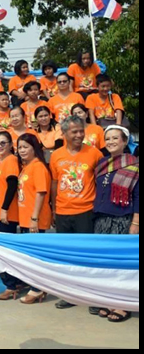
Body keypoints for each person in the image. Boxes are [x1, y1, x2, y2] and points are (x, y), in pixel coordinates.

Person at [50, 116, 103, 310]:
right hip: (63, 211)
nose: (79, 135)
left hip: (86, 211)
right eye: (75, 132)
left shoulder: (95, 154)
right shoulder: (56, 155)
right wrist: (54, 209)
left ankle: (91, 297)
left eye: (81, 131)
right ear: (64, 134)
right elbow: (55, 183)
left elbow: (99, 182)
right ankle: (70, 295)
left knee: (88, 255)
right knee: (66, 257)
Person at [93, 125, 139, 323]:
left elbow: (137, 195)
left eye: (115, 138)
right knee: (104, 262)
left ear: (124, 141)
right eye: (108, 139)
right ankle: (107, 299)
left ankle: (122, 304)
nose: (111, 142)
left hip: (123, 218)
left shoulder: (133, 164)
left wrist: (136, 222)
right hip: (102, 218)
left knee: (121, 264)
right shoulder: (102, 163)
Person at [16, 134, 52, 304]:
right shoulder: (26, 166)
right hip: (25, 218)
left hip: (35, 219)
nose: (22, 150)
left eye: (25, 147)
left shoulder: (38, 167)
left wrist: (34, 218)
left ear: (34, 148)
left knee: (36, 257)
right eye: (20, 147)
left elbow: (41, 193)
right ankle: (36, 286)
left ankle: (38, 289)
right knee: (30, 256)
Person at [0, 131, 22, 300]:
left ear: (11, 145)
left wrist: (4, 208)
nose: (0, 146)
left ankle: (11, 286)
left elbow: (12, 185)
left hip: (9, 212)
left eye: (3, 143)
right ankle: (15, 282)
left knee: (7, 251)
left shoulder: (10, 160)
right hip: (1, 210)